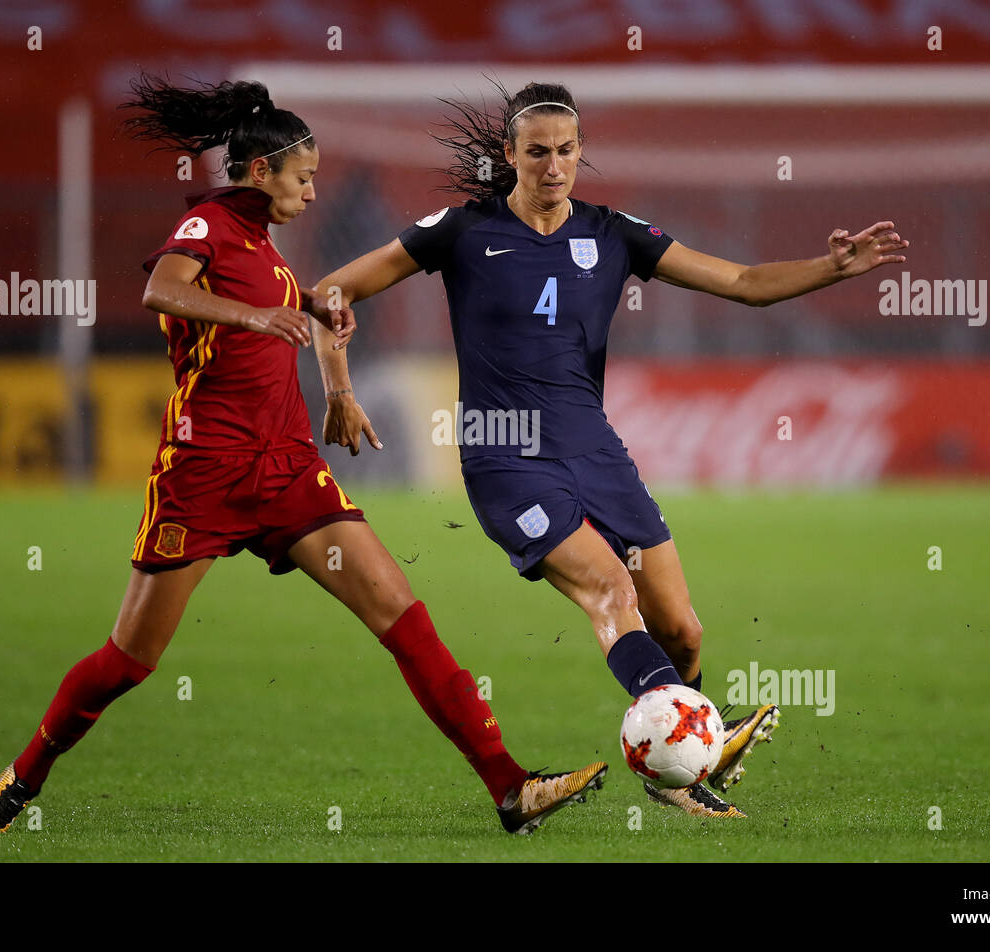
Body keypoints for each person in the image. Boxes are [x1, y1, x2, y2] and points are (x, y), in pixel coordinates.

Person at [0, 77, 606, 839]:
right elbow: (164, 293)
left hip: (288, 470)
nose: (311, 192)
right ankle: (24, 775)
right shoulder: (205, 225)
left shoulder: (265, 251)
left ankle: (510, 788)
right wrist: (258, 315)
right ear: (262, 172)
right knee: (129, 661)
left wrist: (329, 368)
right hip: (204, 476)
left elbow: (310, 314)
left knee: (402, 617)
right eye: (304, 178)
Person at [303, 81, 909, 819]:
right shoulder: (461, 232)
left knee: (682, 631)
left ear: (581, 154)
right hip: (505, 458)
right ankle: (696, 744)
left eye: (565, 152)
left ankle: (672, 771)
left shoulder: (613, 233)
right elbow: (331, 290)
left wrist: (830, 268)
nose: (552, 166)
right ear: (510, 154)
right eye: (537, 153)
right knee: (609, 593)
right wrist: (337, 386)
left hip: (594, 449)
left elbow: (744, 283)